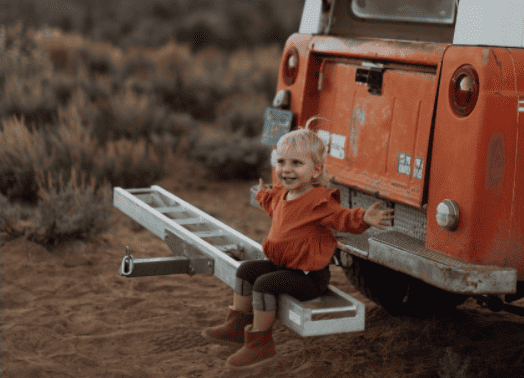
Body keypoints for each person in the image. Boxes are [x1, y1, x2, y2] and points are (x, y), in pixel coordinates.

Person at [201, 126, 395, 371]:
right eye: (281, 161)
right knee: (246, 271)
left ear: (316, 170)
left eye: (296, 163)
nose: (286, 169)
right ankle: (237, 325)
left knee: (264, 284)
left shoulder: (318, 201)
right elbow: (273, 206)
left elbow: (341, 218)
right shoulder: (284, 194)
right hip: (284, 265)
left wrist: (365, 218)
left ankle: (260, 344)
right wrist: (263, 194)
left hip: (308, 276)